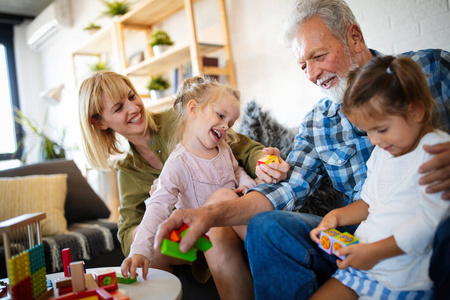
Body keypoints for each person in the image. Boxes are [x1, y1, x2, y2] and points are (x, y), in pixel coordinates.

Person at [154, 0, 450, 299]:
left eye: (318, 56)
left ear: (355, 38)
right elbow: (286, 191)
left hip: (429, 228)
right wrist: (208, 215)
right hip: (357, 232)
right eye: (303, 65)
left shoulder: (431, 69)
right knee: (267, 226)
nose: (311, 74)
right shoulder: (317, 122)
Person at [77, 71, 265, 258]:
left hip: (219, 219)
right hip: (185, 241)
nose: (134, 108)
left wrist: (264, 161)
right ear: (100, 123)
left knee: (221, 201)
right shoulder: (128, 170)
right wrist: (162, 212)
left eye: (132, 96)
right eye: (118, 108)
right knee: (152, 251)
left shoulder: (182, 116)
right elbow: (127, 234)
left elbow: (241, 147)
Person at [309, 55, 450, 299]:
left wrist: (374, 252)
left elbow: (428, 226)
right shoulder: (382, 151)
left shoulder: (437, 151)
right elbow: (368, 203)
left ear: (415, 111)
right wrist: (335, 216)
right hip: (363, 265)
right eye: (368, 132)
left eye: (381, 129)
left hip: (403, 279)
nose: (374, 140)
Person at [119, 76, 257, 299]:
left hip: (230, 219)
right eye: (221, 116)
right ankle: (267, 243)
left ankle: (269, 242)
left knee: (232, 196)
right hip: (200, 232)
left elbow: (236, 170)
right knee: (222, 197)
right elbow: (157, 207)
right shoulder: (177, 163)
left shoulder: (223, 149)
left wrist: (246, 184)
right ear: (193, 109)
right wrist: (139, 251)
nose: (225, 126)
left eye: (230, 123)